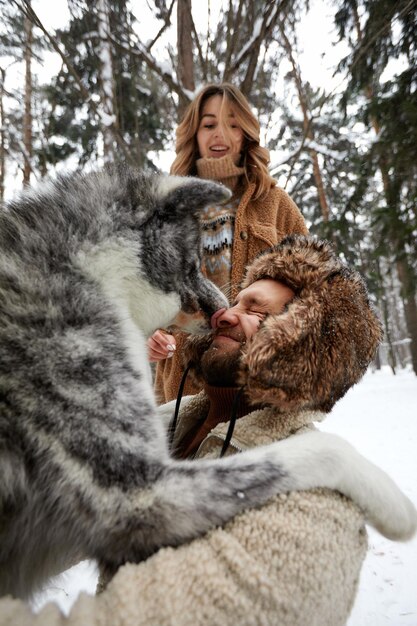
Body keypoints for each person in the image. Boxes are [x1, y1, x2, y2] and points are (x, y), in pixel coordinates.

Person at [4, 235, 415, 626]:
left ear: (303, 345)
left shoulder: (319, 506)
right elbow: (38, 513)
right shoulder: (173, 423)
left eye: (257, 311)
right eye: (236, 300)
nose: (221, 312)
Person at [148, 83, 308, 404]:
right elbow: (143, 293)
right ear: (194, 133)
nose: (220, 134)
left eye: (233, 124)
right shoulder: (166, 207)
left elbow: (310, 291)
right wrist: (147, 334)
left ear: (246, 133)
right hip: (180, 384)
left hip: (258, 381)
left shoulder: (275, 203)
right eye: (209, 124)